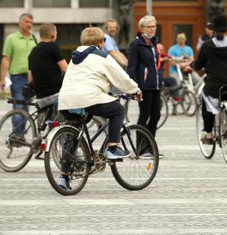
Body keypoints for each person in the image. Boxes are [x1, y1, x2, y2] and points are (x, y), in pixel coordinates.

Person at [57, 27, 142, 190]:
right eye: (103, 40)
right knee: (117, 110)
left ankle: (64, 177)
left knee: (73, 134)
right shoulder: (102, 56)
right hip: (89, 97)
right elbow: (120, 76)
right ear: (99, 42)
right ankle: (113, 148)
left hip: (67, 100)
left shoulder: (75, 57)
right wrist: (135, 90)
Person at [188, 14, 227, 145]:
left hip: (213, 84)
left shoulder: (207, 45)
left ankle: (209, 135)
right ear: (226, 29)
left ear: (213, 30)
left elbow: (199, 65)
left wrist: (192, 65)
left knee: (206, 104)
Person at [127, 15, 161, 157]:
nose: (152, 29)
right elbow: (132, 67)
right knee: (144, 115)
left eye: (154, 26)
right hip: (144, 86)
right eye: (149, 26)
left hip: (155, 85)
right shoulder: (136, 44)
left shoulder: (153, 43)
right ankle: (141, 148)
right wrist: (135, 87)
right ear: (142, 28)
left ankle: (150, 146)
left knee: (156, 115)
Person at [0, 13, 38, 137]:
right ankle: (17, 135)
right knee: (19, 105)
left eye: (31, 22)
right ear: (20, 23)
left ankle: (21, 135)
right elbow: (6, 59)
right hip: (17, 78)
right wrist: (2, 78)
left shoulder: (34, 39)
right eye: (27, 22)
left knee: (26, 108)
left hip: (31, 79)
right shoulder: (12, 39)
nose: (30, 24)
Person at [28, 23, 68, 122]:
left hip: (41, 99)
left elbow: (30, 79)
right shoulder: (53, 46)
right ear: (53, 35)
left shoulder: (33, 52)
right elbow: (65, 69)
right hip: (56, 95)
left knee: (53, 124)